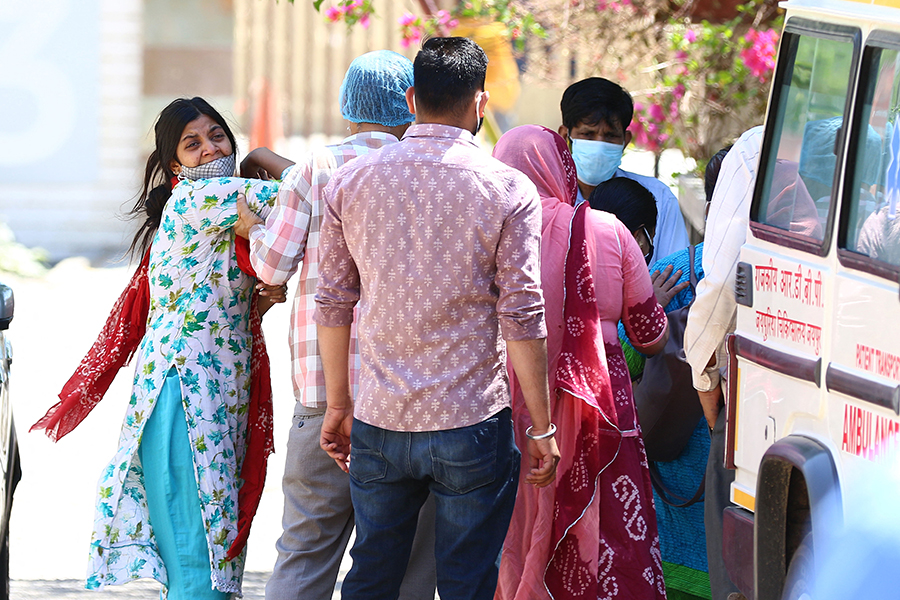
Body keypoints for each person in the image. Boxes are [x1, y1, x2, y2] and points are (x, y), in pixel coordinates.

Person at [315, 37, 560, 600]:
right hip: (471, 420)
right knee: (466, 581)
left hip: (379, 416)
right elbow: (522, 312)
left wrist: (338, 404)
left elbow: (332, 301)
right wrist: (542, 427)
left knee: (373, 573)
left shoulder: (351, 183)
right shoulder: (507, 186)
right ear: (481, 103)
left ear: (410, 98)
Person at [31, 97, 287, 598]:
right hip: (185, 398)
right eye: (194, 144)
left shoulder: (219, 203)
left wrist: (261, 298)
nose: (212, 148)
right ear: (176, 168)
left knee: (212, 558)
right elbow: (317, 193)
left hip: (210, 395)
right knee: (200, 565)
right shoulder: (203, 199)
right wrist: (262, 158)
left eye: (218, 135)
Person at [233, 50, 437, 599]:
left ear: (348, 109)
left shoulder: (316, 169)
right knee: (410, 564)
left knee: (306, 552)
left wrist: (256, 228)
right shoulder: (432, 171)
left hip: (324, 397)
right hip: (412, 401)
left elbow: (271, 267)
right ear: (411, 105)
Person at [492, 124, 668, 600]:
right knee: (609, 526)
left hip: (514, 400)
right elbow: (650, 334)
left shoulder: (493, 231)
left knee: (517, 523)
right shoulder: (608, 229)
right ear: (561, 166)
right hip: (599, 405)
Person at [684, 126, 764, 600]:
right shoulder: (874, 141)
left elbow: (718, 289)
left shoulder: (753, 151)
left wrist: (704, 378)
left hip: (751, 394)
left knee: (735, 576)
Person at [558, 77, 689, 263]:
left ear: (625, 141)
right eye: (588, 134)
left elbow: (675, 276)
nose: (600, 145)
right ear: (565, 136)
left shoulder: (659, 198)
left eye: (610, 136)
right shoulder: (548, 201)